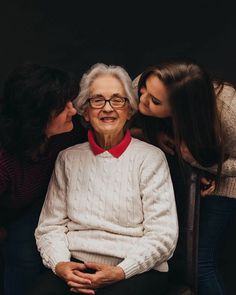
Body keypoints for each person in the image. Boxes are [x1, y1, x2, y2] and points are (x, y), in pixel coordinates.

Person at [29, 63, 178, 295]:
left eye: (118, 100)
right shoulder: (68, 158)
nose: (107, 108)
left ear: (129, 110)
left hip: (135, 270)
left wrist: (121, 271)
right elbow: (50, 226)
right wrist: (61, 265)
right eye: (97, 100)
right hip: (75, 265)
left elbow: (164, 235)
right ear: (85, 112)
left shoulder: (151, 158)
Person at [132, 59, 236, 295]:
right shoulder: (146, 83)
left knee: (200, 263)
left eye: (155, 101)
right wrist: (156, 134)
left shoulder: (229, 111)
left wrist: (203, 164)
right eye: (143, 91)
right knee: (176, 263)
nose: (142, 100)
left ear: (182, 109)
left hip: (228, 180)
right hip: (183, 169)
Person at [0, 62, 87, 295]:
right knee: (22, 252)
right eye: (63, 107)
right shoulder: (4, 157)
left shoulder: (66, 132)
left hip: (43, 204)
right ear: (37, 115)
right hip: (10, 216)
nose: (73, 110)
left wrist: (153, 133)